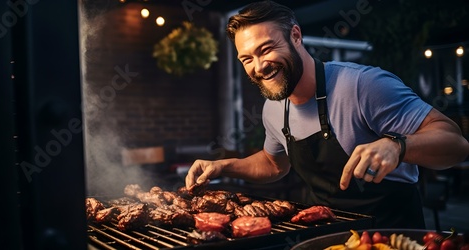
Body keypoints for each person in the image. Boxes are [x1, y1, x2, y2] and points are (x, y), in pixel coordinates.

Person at [185, 0, 469, 228]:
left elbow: (456, 145)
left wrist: (398, 146)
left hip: (390, 234)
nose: (259, 66)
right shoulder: (273, 106)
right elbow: (274, 164)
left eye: (266, 49)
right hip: (323, 235)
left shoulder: (362, 85)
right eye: (247, 58)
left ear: (296, 36)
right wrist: (225, 166)